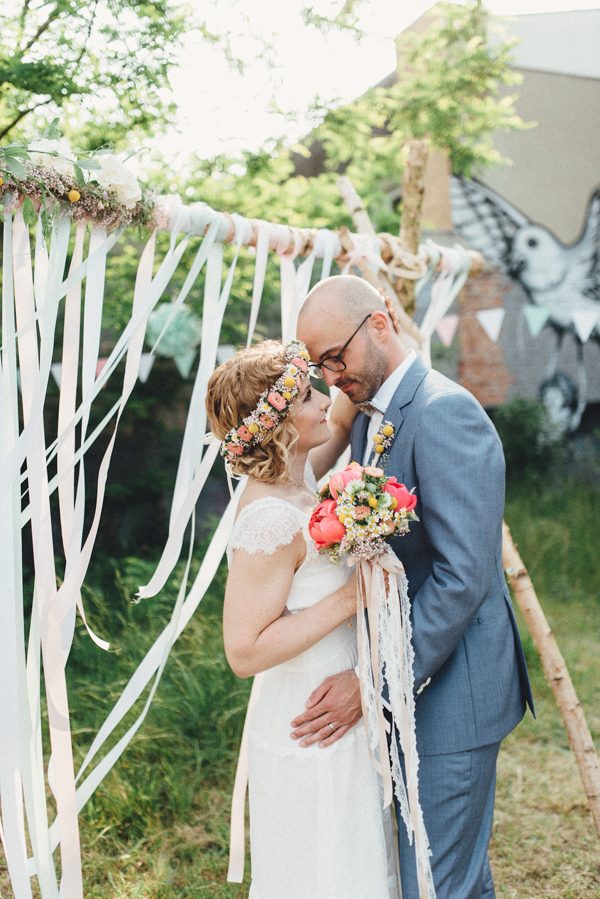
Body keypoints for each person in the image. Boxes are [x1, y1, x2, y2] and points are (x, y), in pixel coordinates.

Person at [293, 275, 535, 899]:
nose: (329, 377)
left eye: (334, 358)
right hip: (416, 682)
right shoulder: (373, 415)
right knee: (451, 877)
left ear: (379, 324)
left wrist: (372, 683)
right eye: (318, 365)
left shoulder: (442, 410)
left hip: (456, 692)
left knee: (434, 883)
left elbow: (463, 577)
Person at [206, 339, 400, 898]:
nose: (324, 400)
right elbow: (243, 651)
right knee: (321, 867)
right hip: (307, 718)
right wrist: (347, 601)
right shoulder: (269, 515)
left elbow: (336, 424)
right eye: (309, 394)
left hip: (338, 701)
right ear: (280, 422)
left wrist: (361, 335)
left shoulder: (298, 478)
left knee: (350, 855)